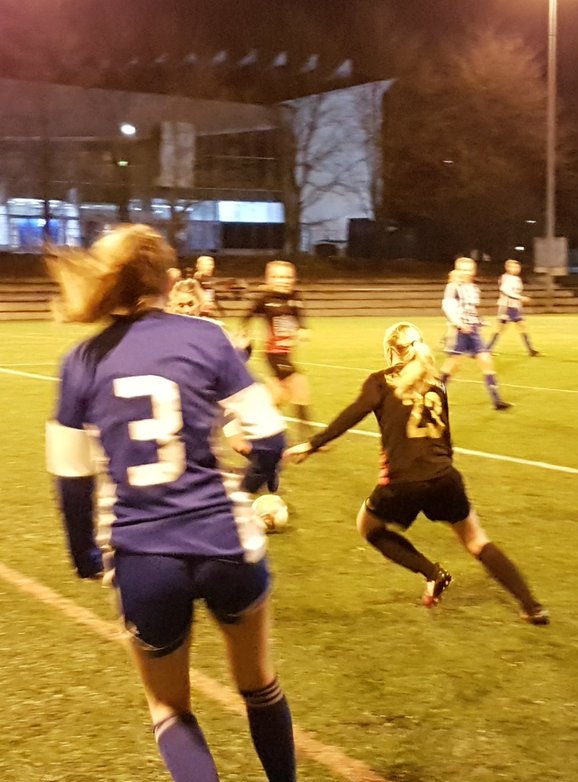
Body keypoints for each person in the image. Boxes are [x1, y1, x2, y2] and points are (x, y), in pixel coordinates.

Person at [45, 224, 306, 782]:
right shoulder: (207, 338)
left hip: (144, 555)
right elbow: (270, 434)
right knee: (258, 681)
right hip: (225, 542)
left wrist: (84, 554)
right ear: (169, 282)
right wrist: (253, 487)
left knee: (169, 707)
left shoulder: (82, 361)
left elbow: (70, 478)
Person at [286, 322, 548, 625]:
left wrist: (313, 444)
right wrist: (441, 471)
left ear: (391, 351)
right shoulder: (437, 383)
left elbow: (354, 413)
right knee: (476, 541)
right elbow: (446, 439)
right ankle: (532, 606)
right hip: (444, 476)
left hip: (402, 481)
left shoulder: (380, 381)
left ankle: (432, 573)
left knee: (368, 527)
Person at [168, 277, 285, 494]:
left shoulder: (215, 329)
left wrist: (243, 349)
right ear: (171, 306)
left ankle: (266, 468)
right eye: (180, 304)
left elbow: (234, 364)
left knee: (236, 444)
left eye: (190, 303)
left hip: (221, 396)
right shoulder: (167, 333)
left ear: (199, 304)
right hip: (195, 399)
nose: (185, 309)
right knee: (216, 445)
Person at [241, 260, 312, 438]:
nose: (284, 281)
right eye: (278, 277)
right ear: (269, 279)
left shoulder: (295, 297)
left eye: (287, 277)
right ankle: (309, 437)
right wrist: (245, 333)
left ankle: (253, 423)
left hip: (286, 353)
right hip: (274, 354)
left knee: (278, 396)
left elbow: (300, 318)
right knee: (300, 385)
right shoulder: (265, 300)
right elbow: (247, 316)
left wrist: (303, 329)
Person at [440, 254, 511, 410]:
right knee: (453, 365)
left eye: (469, 269)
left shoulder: (473, 288)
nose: (466, 272)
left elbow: (470, 309)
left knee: (486, 361)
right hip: (459, 331)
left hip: (473, 331)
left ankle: (497, 401)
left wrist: (479, 321)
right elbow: (448, 307)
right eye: (463, 269)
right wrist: (459, 324)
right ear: (457, 270)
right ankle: (435, 394)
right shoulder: (453, 287)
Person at [487, 260, 540, 356]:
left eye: (517, 267)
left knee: (521, 326)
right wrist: (520, 298)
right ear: (507, 268)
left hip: (514, 307)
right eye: (513, 267)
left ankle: (530, 350)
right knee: (500, 328)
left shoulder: (516, 279)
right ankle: (487, 349)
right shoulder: (506, 278)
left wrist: (519, 303)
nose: (516, 269)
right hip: (507, 307)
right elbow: (506, 291)